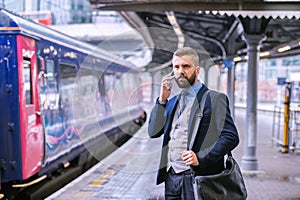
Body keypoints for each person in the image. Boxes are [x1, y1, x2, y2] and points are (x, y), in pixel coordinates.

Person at [148, 47, 239, 199]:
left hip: (198, 179)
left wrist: (201, 157)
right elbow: (153, 132)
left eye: (186, 66)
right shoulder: (171, 102)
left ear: (197, 70)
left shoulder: (215, 99)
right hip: (172, 178)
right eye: (176, 67)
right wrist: (162, 100)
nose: (180, 71)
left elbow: (230, 137)